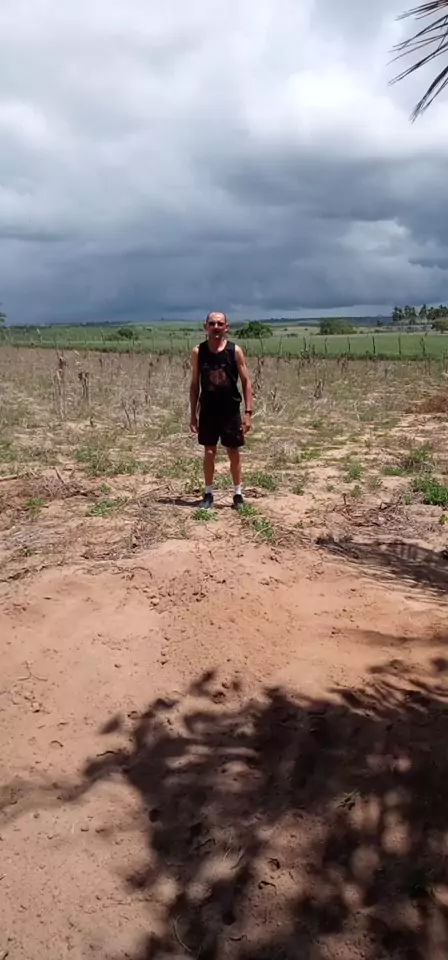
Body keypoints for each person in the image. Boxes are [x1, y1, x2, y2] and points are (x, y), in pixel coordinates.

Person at [190, 311, 253, 510]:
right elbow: (194, 384)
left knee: (233, 452)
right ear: (205, 327)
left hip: (230, 410)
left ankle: (238, 494)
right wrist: (193, 414)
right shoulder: (198, 352)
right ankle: (208, 493)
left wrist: (248, 413)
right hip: (208, 410)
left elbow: (246, 382)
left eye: (220, 324)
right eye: (212, 323)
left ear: (226, 327)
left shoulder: (235, 351)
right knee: (209, 452)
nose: (216, 327)